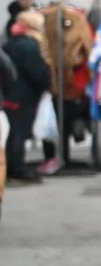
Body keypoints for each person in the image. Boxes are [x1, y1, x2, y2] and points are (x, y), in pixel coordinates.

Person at [3, 10, 50, 184]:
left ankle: (13, 167)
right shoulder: (29, 46)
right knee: (19, 133)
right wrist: (47, 83)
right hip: (23, 96)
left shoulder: (11, 42)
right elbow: (36, 72)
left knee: (14, 133)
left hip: (11, 94)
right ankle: (16, 169)